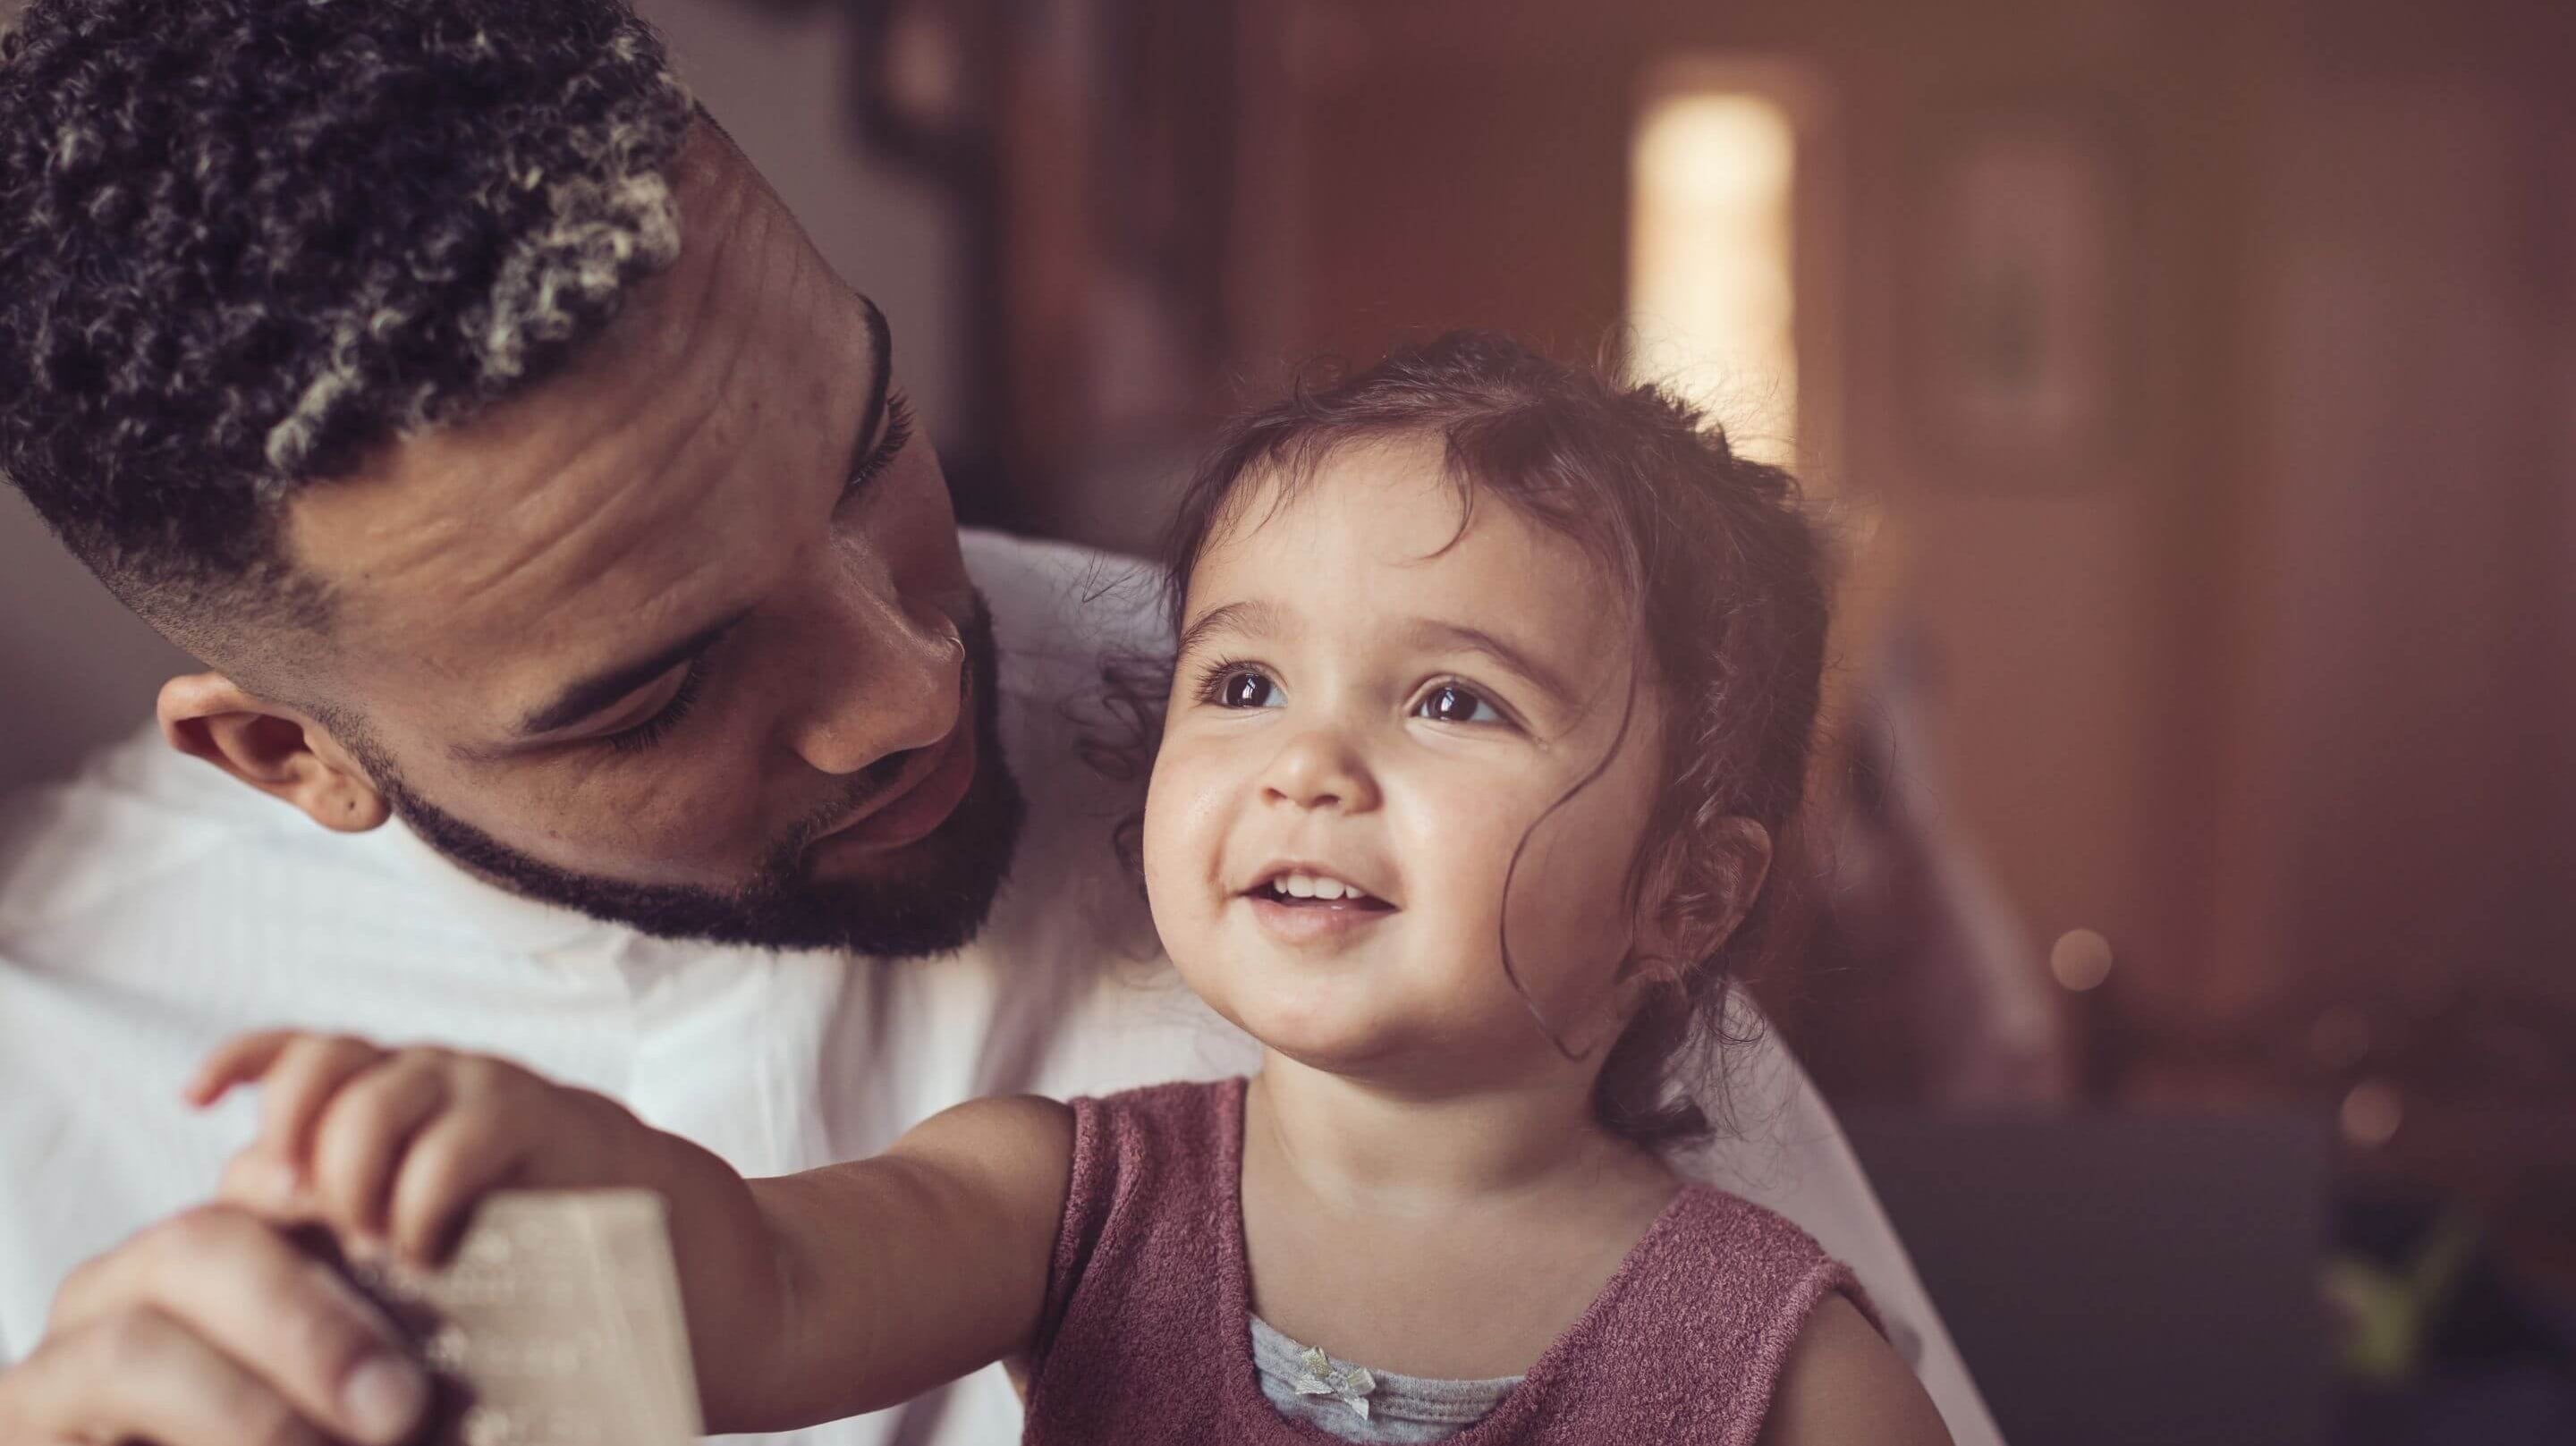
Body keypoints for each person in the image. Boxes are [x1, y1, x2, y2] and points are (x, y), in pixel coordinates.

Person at [0, 3, 1997, 1443]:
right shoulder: (57, 1067)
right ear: (293, 756)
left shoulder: (1466, 856)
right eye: (653, 684)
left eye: (872, 446)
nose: (916, 679)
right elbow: (718, 1310)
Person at [194, 334, 1954, 1444]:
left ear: (1686, 896)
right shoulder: (1069, 1196)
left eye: (1452, 700)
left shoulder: (1783, 1360)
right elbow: (760, 1292)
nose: (1309, 765)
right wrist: (542, 1174)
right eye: (1245, 682)